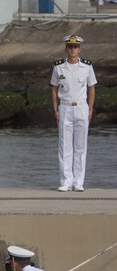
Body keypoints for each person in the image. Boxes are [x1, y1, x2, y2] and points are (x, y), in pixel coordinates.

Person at [51, 34, 97, 192]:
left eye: (75, 47)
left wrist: (90, 108)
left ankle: (78, 182)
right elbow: (54, 88)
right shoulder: (58, 67)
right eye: (70, 47)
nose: (73, 49)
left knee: (80, 146)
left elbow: (91, 88)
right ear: (66, 49)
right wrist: (55, 108)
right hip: (65, 107)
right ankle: (66, 181)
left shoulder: (87, 66)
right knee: (65, 146)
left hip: (81, 107)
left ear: (79, 49)